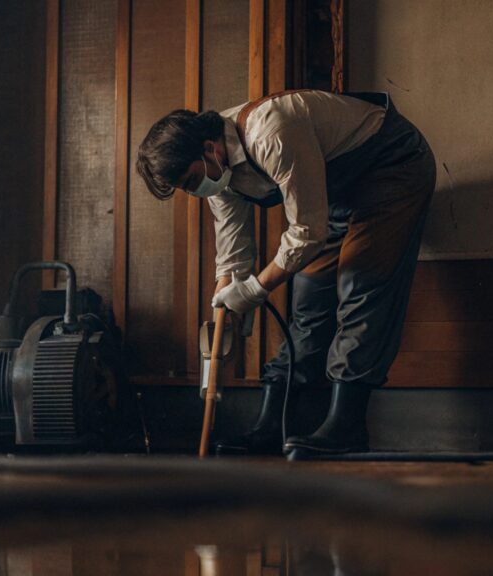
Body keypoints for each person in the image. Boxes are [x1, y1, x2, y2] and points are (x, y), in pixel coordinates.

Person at [136, 89, 436, 457]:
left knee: (360, 283)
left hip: (392, 167)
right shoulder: (216, 172)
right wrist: (226, 306)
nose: (194, 189)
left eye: (191, 179)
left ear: (209, 147)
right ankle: (271, 425)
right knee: (308, 295)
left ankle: (346, 427)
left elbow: (307, 232)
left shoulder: (270, 132)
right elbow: (233, 254)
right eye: (185, 188)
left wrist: (258, 288)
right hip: (337, 195)